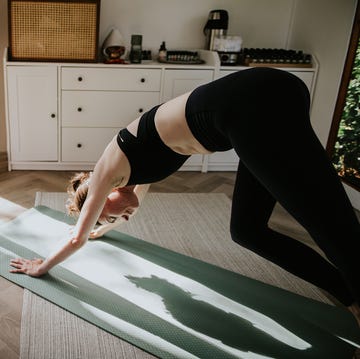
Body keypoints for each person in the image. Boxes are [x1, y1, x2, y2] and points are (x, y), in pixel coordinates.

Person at [9, 67, 360, 324]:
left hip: (253, 104)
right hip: (259, 101)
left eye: (107, 212)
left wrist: (42, 265)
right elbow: (112, 218)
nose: (120, 218)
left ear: (105, 193)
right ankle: (349, 295)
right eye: (113, 220)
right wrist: (105, 228)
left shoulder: (107, 168)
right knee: (248, 231)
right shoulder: (133, 175)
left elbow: (77, 237)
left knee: (329, 224)